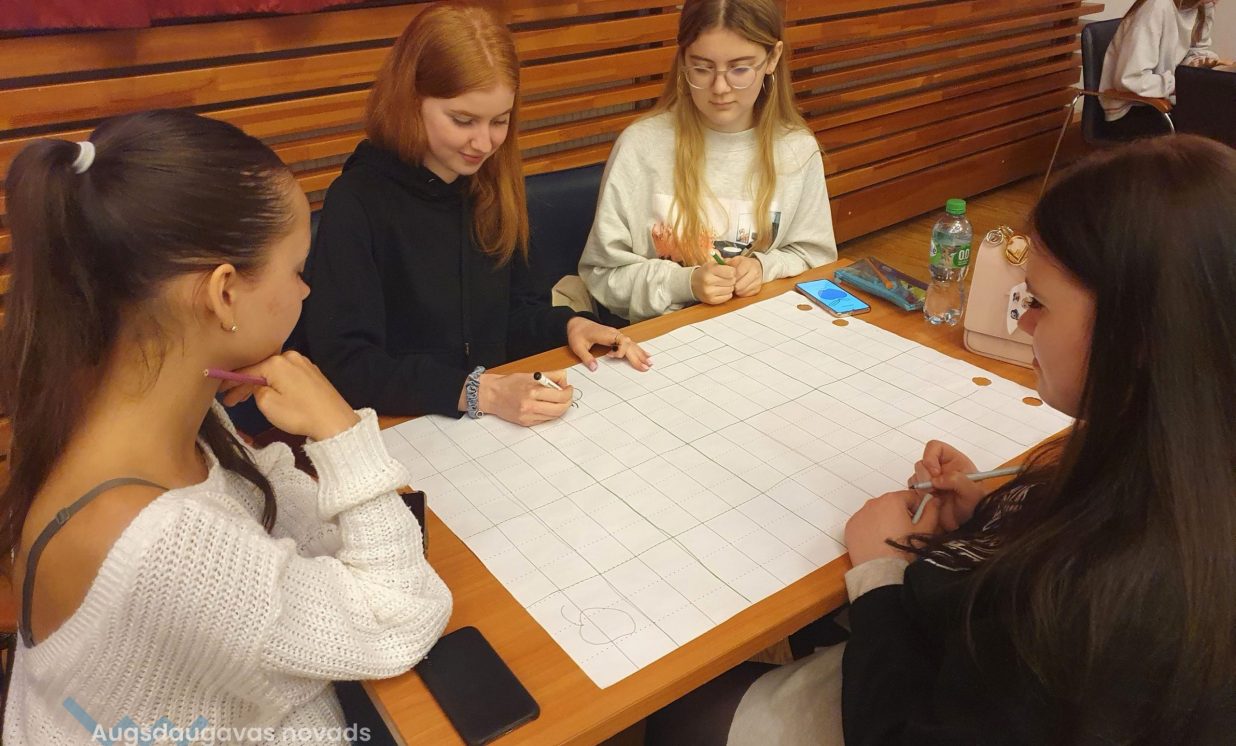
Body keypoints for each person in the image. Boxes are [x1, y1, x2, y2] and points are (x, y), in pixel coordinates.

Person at [646, 135, 1236, 745]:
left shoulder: (1101, 601)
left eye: (1038, 302)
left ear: (1139, 336)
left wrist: (879, 575)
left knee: (680, 712)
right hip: (966, 665)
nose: (1023, 322)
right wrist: (990, 514)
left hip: (913, 700)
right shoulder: (1175, 464)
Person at [0, 109, 451, 744]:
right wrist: (341, 433)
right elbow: (404, 613)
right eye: (297, 269)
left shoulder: (129, 405)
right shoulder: (166, 543)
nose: (307, 292)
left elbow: (265, 507)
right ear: (223, 293)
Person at [298, 3, 648, 428]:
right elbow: (347, 365)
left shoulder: (493, 181)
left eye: (499, 121)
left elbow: (513, 313)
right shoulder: (357, 201)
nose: (483, 144)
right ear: (411, 101)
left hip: (487, 423)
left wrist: (567, 325)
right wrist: (479, 391)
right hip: (404, 426)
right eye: (463, 120)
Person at [578, 0, 837, 324]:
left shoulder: (797, 149)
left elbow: (817, 260)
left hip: (765, 332)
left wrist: (763, 268)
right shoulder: (641, 147)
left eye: (740, 69)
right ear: (683, 59)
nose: (720, 88)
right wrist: (684, 283)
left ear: (772, 58)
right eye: (702, 68)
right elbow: (602, 276)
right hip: (664, 340)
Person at [1100, 0, 1232, 139]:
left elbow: (1196, 49)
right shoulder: (1156, 6)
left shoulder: (1203, 6)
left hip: (1165, 100)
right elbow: (1130, 79)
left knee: (1224, 106)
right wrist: (1183, 83)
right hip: (1134, 109)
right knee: (1218, 126)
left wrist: (1203, 66)